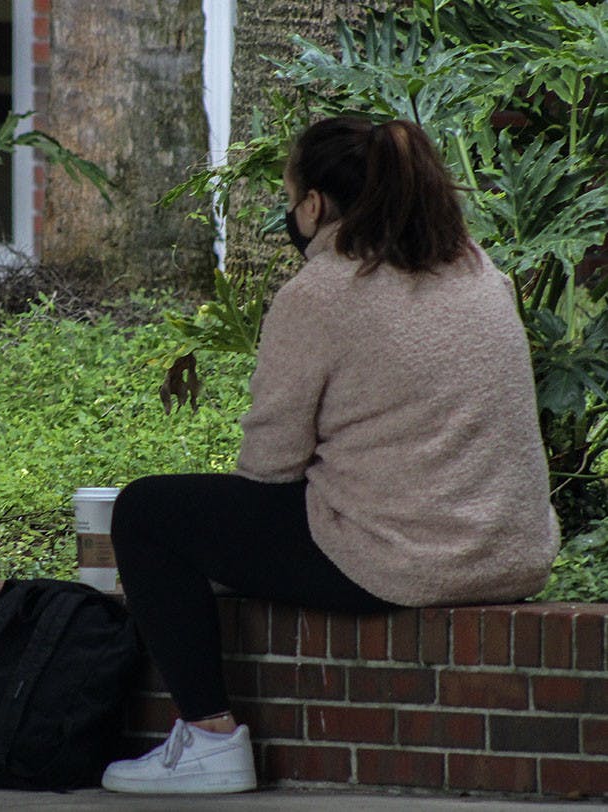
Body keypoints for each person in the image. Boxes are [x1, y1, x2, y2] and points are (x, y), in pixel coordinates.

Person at [101, 116, 558, 795]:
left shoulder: (322, 291)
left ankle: (209, 740)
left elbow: (270, 467)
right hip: (512, 555)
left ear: (313, 204)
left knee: (148, 512)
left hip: (400, 561)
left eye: (291, 196)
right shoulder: (481, 273)